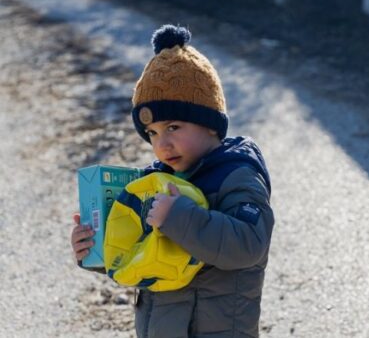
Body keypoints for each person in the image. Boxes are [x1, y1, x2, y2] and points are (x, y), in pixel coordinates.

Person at [70, 24, 274, 337]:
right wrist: (95, 248)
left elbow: (248, 244)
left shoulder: (236, 175)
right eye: (152, 133)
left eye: (174, 127)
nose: (162, 144)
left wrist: (178, 217)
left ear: (209, 125)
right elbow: (138, 253)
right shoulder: (156, 182)